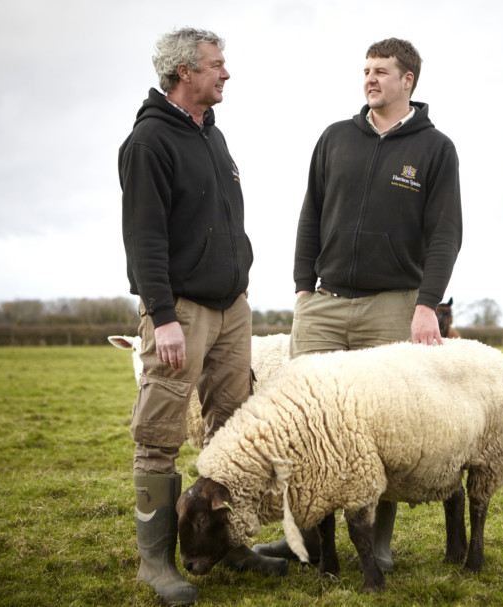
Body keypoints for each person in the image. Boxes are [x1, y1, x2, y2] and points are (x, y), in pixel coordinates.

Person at [253, 37, 463, 573]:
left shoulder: (435, 149)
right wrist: (304, 287)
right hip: (324, 304)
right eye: (366, 70)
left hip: (392, 305)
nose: (370, 79)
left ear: (408, 80)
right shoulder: (334, 138)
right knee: (305, 423)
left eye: (382, 71)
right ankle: (298, 538)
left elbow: (445, 235)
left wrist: (426, 305)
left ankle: (380, 545)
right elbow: (310, 214)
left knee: (383, 428)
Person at [119, 27, 279, 605]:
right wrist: (161, 316)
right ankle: (156, 563)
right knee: (160, 434)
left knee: (231, 429)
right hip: (180, 309)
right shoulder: (148, 143)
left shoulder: (212, 135)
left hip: (231, 307)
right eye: (217, 64)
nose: (226, 73)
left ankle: (231, 542)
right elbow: (144, 239)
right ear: (185, 71)